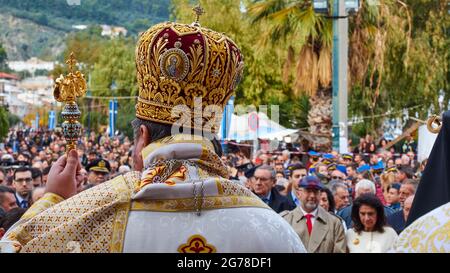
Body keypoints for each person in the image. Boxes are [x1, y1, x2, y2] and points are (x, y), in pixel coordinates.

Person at [1, 19, 306, 253]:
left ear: (142, 137)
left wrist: (53, 198)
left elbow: (14, 245)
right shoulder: (274, 228)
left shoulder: (97, 212)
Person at [281, 176, 346, 253]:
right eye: (308, 191)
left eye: (315, 192)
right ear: (298, 194)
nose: (312, 196)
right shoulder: (285, 220)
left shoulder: (334, 223)